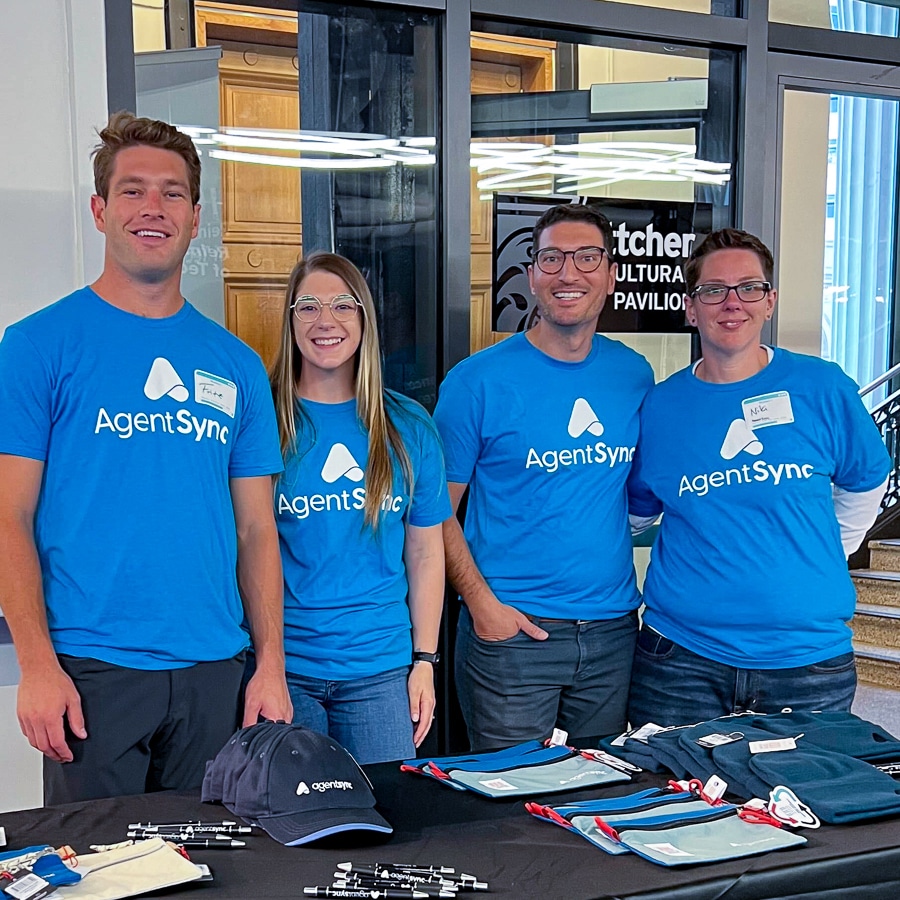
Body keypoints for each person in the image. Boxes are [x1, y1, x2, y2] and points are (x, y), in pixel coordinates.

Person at [0, 112, 292, 804]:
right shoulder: (37, 346)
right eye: (132, 191)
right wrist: (36, 664)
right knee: (101, 875)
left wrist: (270, 664)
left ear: (195, 218)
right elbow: (9, 513)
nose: (152, 208)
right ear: (100, 211)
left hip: (216, 668)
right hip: (92, 671)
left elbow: (256, 529)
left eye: (172, 193)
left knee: (214, 867)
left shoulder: (236, 364)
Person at [627, 227, 890, 728]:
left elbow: (867, 479)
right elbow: (639, 515)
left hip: (807, 661)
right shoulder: (661, 407)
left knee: (799, 804)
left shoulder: (822, 387)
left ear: (769, 302)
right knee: (672, 799)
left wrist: (826, 551)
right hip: (680, 659)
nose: (732, 303)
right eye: (713, 290)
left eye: (749, 288)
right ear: (690, 307)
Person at [433, 203, 654, 751]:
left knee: (600, 798)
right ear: (532, 276)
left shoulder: (633, 374)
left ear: (610, 274)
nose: (568, 272)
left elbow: (632, 495)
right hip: (512, 634)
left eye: (586, 257)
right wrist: (482, 605)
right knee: (507, 812)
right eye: (551, 258)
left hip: (612, 632)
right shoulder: (476, 382)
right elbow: (429, 510)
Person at [269, 251, 450, 764]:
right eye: (308, 308)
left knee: (386, 823)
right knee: (293, 830)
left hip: (381, 670)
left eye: (343, 306)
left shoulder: (407, 425)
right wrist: (261, 664)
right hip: (286, 669)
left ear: (365, 318)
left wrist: (425, 661)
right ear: (290, 321)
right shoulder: (263, 421)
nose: (325, 322)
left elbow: (425, 554)